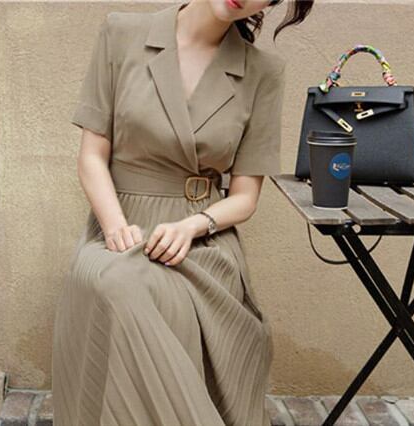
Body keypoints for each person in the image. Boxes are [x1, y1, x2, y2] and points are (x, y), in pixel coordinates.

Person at [52, 1, 313, 424]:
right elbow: (91, 157)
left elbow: (245, 197)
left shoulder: (263, 72)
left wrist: (193, 226)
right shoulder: (121, 33)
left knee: (142, 291)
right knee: (120, 281)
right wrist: (115, 227)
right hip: (119, 225)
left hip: (202, 241)